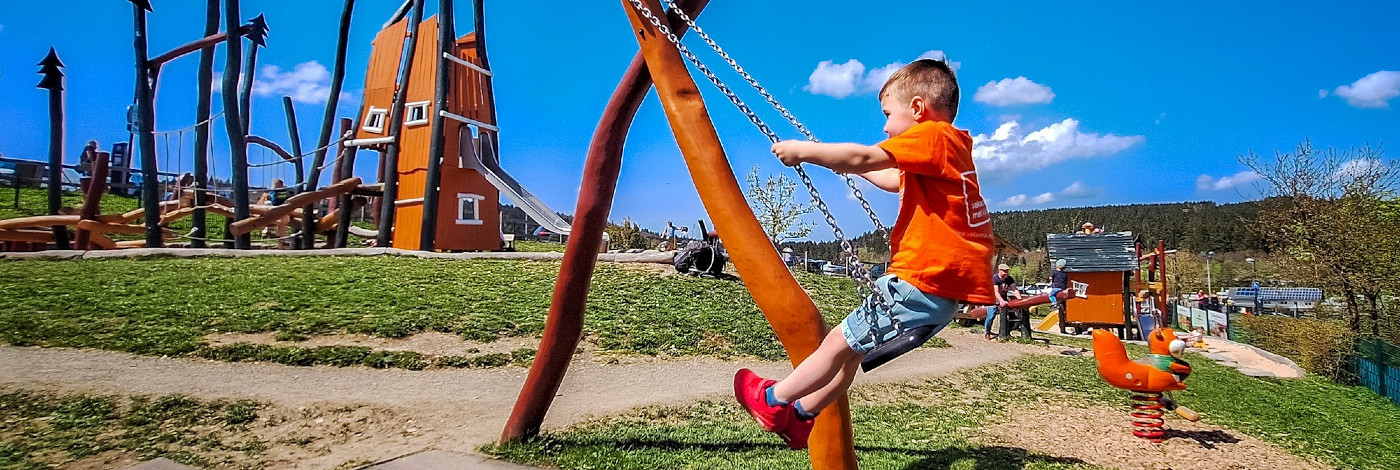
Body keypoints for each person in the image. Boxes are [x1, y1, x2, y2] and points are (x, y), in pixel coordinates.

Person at [733, 58, 994, 449]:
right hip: (940, 293)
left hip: (918, 281)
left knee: (837, 343)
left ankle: (773, 400)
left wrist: (806, 151)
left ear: (919, 109)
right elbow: (890, 178)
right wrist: (846, 168)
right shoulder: (950, 152)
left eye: (888, 114)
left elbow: (865, 156)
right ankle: (803, 416)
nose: (885, 126)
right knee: (851, 354)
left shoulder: (935, 136)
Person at [985, 263, 1021, 340]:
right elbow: (996, 292)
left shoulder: (1009, 279)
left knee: (1013, 316)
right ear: (999, 271)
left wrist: (1019, 299)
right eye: (1004, 271)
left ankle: (1006, 332)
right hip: (993, 299)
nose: (1006, 273)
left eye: (1007, 271)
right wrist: (1001, 301)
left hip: (1004, 299)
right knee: (991, 316)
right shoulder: (995, 278)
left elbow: (1015, 289)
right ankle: (987, 332)